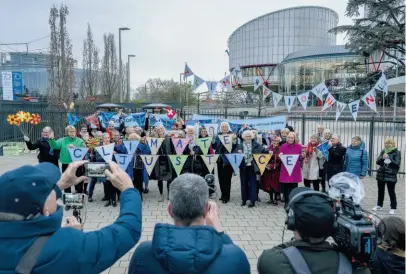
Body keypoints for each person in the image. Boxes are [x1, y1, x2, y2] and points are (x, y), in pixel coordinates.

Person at [0, 160, 142, 274]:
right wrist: (128, 189)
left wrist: (61, 185)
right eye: (50, 191)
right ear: (45, 209)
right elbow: (128, 230)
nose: (54, 192)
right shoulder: (67, 246)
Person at [128, 173, 250, 274]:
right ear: (206, 209)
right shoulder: (235, 257)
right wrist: (220, 234)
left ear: (170, 210)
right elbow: (231, 259)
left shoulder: (143, 255)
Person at [257, 187, 370, 274]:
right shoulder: (354, 267)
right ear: (333, 226)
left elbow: (272, 253)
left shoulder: (271, 261)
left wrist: (297, 240)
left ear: (292, 223)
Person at [49, 126, 87, 194]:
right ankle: (67, 196)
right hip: (66, 163)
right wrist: (52, 139)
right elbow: (55, 146)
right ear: (67, 133)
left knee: (78, 180)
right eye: (70, 131)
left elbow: (84, 150)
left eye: (73, 131)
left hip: (77, 164)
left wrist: (75, 147)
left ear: (75, 132)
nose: (72, 133)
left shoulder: (80, 140)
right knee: (66, 180)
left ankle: (79, 195)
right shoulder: (63, 140)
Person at [234, 130, 267, 208]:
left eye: (249, 136)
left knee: (253, 184)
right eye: (246, 136)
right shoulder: (240, 145)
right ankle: (244, 199)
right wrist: (238, 153)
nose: (248, 138)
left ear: (251, 137)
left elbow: (263, 150)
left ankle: (252, 200)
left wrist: (269, 151)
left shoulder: (255, 144)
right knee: (243, 183)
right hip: (243, 166)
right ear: (243, 137)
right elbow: (234, 153)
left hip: (252, 167)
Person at [373, 138, 401, 215]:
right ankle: (379, 205)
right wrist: (382, 157)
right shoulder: (383, 151)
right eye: (386, 143)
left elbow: (397, 164)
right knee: (380, 191)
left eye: (389, 143)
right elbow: (377, 162)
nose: (387, 145)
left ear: (393, 144)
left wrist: (389, 158)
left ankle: (393, 207)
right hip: (381, 174)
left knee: (391, 191)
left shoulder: (397, 152)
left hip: (391, 175)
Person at [212, 122, 237, 204]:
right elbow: (215, 146)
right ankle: (223, 194)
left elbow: (235, 146)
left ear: (228, 127)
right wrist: (213, 141)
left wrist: (233, 140)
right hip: (219, 159)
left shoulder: (232, 134)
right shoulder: (218, 135)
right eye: (222, 127)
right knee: (221, 178)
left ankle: (227, 196)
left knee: (227, 178)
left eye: (225, 127)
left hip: (228, 159)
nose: (224, 128)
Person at [151, 124, 175, 202]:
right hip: (159, 161)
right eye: (158, 130)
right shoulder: (155, 139)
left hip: (167, 160)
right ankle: (161, 195)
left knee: (169, 178)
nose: (160, 131)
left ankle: (169, 194)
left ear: (163, 130)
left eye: (161, 129)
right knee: (159, 179)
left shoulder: (168, 138)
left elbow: (173, 149)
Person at [279, 132, 303, 205]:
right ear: (287, 138)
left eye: (292, 138)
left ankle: (293, 202)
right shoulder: (283, 146)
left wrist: (303, 156)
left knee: (294, 186)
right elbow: (281, 158)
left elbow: (300, 158)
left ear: (294, 138)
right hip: (286, 169)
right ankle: (286, 202)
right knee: (286, 187)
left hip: (295, 169)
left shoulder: (299, 146)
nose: (290, 139)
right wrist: (280, 156)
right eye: (289, 137)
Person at [88, 133, 110, 203]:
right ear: (103, 139)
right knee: (93, 181)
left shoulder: (111, 146)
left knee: (105, 182)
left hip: (106, 166)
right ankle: (90, 196)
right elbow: (93, 155)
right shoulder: (97, 146)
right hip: (96, 165)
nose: (107, 139)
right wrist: (92, 153)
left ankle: (106, 196)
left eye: (108, 138)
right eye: (106, 138)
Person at [260, 136, 282, 205]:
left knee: (275, 184)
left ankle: (275, 199)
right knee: (269, 184)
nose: (275, 142)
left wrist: (277, 159)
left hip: (276, 170)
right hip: (268, 169)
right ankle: (271, 199)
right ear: (271, 141)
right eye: (274, 141)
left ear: (278, 142)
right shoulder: (268, 148)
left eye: (277, 141)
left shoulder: (280, 149)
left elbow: (281, 161)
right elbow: (263, 158)